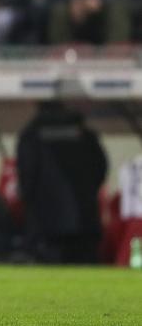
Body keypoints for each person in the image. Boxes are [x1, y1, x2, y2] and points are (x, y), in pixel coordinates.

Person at [17, 101, 108, 264]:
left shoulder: (31, 136)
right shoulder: (85, 134)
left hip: (46, 219)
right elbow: (100, 168)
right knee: (85, 268)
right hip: (84, 217)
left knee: (49, 272)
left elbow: (27, 174)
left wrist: (29, 202)